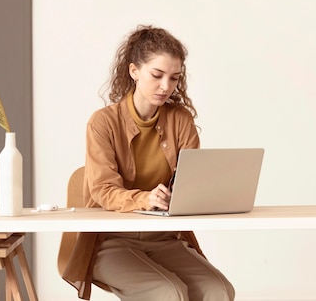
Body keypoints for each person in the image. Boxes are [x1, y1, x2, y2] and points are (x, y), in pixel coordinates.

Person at [58, 25, 235, 301]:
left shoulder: (181, 120)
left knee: (219, 291)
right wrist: (144, 199)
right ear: (134, 72)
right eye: (157, 75)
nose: (166, 86)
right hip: (109, 241)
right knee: (169, 293)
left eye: (174, 78)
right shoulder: (103, 123)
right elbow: (102, 190)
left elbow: (192, 183)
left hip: (164, 238)